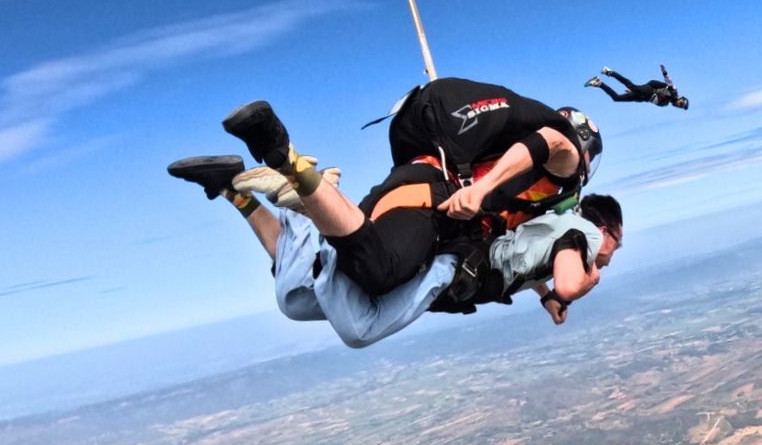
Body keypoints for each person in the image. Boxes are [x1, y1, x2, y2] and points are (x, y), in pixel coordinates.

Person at [165, 153, 622, 348]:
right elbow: (570, 276)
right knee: (359, 329)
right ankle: (314, 200)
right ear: (605, 229)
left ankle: (236, 192)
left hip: (456, 265)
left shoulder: (556, 226)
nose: (610, 256)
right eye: (615, 246)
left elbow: (529, 256)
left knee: (296, 299)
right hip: (448, 269)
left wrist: (544, 295)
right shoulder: (585, 234)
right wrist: (583, 283)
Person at [205, 83, 604, 302]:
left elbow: (514, 239)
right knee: (380, 271)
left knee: (320, 274)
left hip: (415, 190)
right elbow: (550, 140)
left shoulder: (529, 189)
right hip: (430, 192)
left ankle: (237, 191)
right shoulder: (564, 161)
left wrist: (544, 292)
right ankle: (289, 161)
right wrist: (481, 188)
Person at [585, 64, 689, 110]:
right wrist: (664, 72)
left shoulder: (665, 104)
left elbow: (653, 101)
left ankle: (599, 83)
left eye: (680, 107)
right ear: (681, 98)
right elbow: (669, 81)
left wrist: (636, 93)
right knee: (630, 85)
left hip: (643, 97)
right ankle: (609, 72)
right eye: (680, 104)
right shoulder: (674, 93)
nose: (678, 106)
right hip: (649, 91)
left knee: (617, 98)